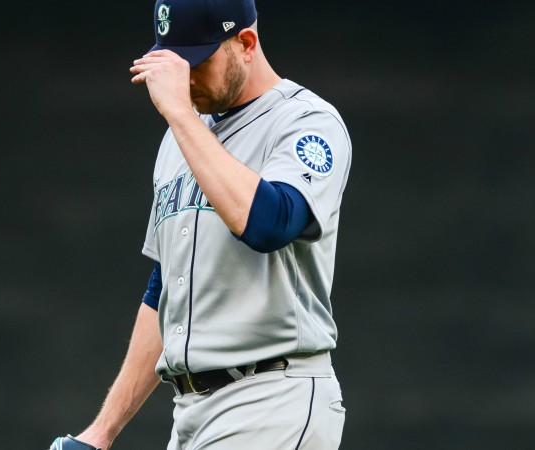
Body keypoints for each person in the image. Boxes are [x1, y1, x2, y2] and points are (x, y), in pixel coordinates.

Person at [50, 0, 351, 448]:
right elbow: (164, 291)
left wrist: (181, 117)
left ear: (246, 43)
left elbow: (270, 223)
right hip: (191, 413)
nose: (183, 81)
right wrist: (102, 432)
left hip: (273, 398)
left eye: (196, 62)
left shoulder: (307, 121)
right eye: (174, 63)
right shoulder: (182, 136)